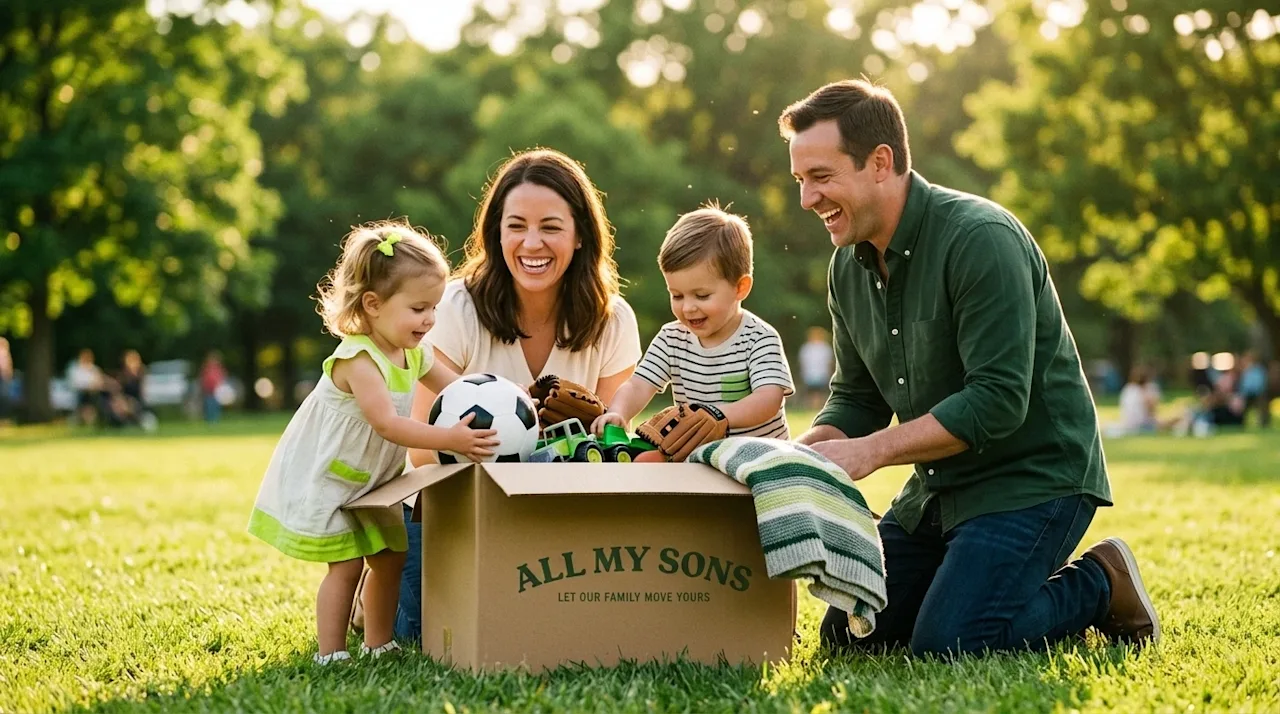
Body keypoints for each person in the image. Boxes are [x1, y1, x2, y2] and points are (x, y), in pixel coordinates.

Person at [779, 79, 1159, 658]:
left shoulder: (980, 238)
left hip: (1033, 480)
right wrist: (791, 461)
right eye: (800, 181)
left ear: (880, 163)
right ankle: (960, 582)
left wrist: (871, 452)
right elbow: (856, 398)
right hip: (939, 488)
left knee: (950, 643)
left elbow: (998, 399)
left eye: (821, 177)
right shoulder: (846, 268)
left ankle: (1101, 582)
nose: (808, 199)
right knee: (850, 637)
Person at [369, 149, 642, 643]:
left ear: (581, 234)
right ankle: (375, 589)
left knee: (565, 625)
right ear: (496, 232)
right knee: (425, 633)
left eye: (550, 227)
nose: (531, 243)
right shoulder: (454, 306)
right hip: (454, 510)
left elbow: (607, 444)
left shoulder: (613, 318)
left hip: (558, 515)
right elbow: (421, 449)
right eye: (516, 226)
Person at [246, 221, 499, 665]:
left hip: (376, 480)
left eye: (434, 308)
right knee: (346, 565)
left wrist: (501, 397)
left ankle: (379, 643)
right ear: (373, 304)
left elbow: (458, 387)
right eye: (418, 308)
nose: (430, 320)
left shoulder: (415, 353)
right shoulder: (358, 359)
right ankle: (331, 653)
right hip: (333, 477)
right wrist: (450, 438)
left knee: (389, 557)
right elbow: (387, 424)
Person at [593, 205, 794, 446]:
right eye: (677, 295)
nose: (688, 308)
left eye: (701, 296)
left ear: (740, 288)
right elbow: (638, 385)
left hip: (760, 455)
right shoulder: (672, 339)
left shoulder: (759, 338)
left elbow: (768, 399)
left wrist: (714, 415)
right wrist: (618, 411)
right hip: (698, 456)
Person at [798, 326, 835, 410]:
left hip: (822, 373)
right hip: (809, 373)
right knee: (811, 392)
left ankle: (819, 407)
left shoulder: (825, 347)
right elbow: (803, 362)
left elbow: (829, 362)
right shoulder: (806, 347)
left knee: (820, 392)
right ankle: (811, 407)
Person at [67, 349, 105, 426]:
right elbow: (74, 384)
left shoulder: (94, 369)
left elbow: (100, 382)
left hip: (93, 393)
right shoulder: (76, 369)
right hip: (79, 393)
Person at [198, 352, 227, 422]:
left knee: (216, 405)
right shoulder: (206, 368)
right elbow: (203, 378)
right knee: (209, 405)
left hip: (217, 390)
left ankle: (215, 419)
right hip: (208, 390)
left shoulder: (218, 368)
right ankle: (209, 419)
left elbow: (222, 377)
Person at [0, 337, 13, 424]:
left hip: (4, 378)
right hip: (3, 378)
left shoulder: (5, 354)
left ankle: (4, 417)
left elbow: (8, 366)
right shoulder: (4, 354)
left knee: (4, 397)